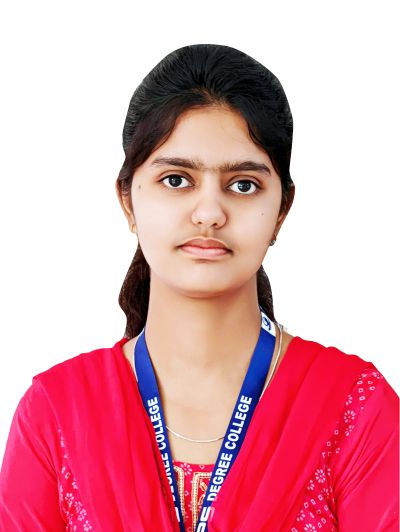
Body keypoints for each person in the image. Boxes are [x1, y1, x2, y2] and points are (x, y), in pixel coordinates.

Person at [0, 44, 398, 532]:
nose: (209, 212)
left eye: (243, 184)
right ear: (127, 200)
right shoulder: (56, 412)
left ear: (282, 210)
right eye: (176, 179)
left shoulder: (355, 408)